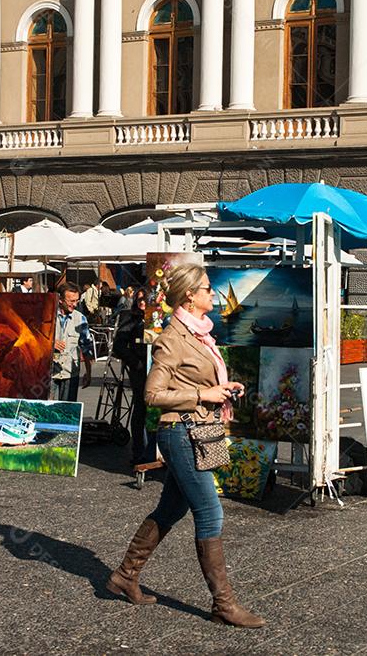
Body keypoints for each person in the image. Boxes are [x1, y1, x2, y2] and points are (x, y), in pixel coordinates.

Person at [107, 264, 264, 628]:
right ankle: (223, 604)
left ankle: (125, 575)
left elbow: (195, 381)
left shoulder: (198, 335)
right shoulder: (173, 339)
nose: (213, 293)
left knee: (171, 509)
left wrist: (222, 389)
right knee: (210, 512)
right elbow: (152, 394)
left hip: (195, 429)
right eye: (207, 289)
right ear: (190, 295)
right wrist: (202, 394)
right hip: (181, 433)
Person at [112, 289, 150, 465]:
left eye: (146, 298)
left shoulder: (163, 316)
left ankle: (155, 451)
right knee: (140, 407)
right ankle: (138, 452)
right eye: (139, 298)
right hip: (139, 369)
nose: (142, 302)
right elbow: (119, 347)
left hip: (159, 369)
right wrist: (135, 362)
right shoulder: (129, 317)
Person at [52, 282, 94, 401]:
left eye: (77, 301)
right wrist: (50, 343)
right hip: (49, 372)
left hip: (70, 373)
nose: (75, 304)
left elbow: (86, 347)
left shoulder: (80, 318)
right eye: (71, 301)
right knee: (45, 411)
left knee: (67, 412)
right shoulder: (48, 315)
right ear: (60, 300)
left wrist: (88, 372)